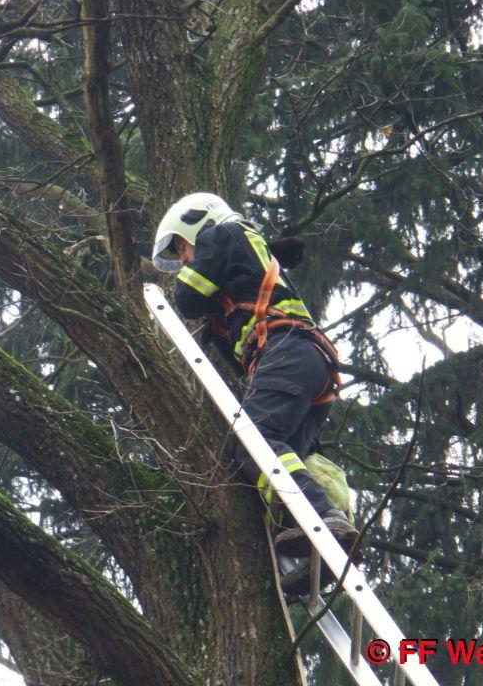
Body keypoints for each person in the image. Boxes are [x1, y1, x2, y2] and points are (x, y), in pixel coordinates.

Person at [152, 192, 357, 589]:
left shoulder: (221, 233)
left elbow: (188, 298)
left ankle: (323, 519)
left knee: (254, 442)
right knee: (273, 458)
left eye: (182, 248)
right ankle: (322, 546)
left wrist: (197, 289)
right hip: (309, 366)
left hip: (288, 351)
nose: (183, 261)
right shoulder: (244, 268)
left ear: (196, 224)